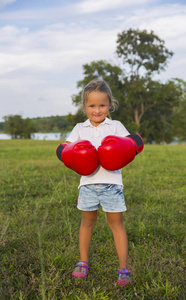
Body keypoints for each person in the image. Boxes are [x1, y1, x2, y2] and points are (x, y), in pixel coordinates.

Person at [64, 79, 133, 286]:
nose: (97, 110)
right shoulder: (79, 128)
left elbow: (131, 144)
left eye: (102, 105)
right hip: (88, 185)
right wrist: (69, 153)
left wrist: (130, 145)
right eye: (92, 106)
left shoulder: (116, 126)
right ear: (84, 106)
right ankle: (83, 262)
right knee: (87, 222)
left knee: (116, 224)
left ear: (109, 104)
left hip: (112, 184)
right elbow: (65, 149)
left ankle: (123, 268)